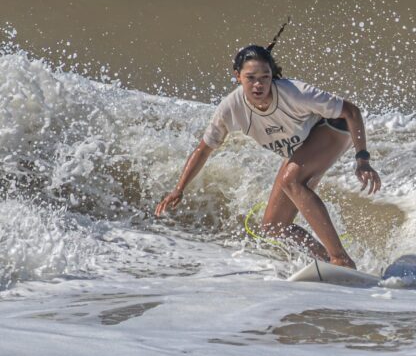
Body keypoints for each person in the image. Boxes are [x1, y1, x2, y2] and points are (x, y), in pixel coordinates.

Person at [154, 24, 381, 269]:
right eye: (250, 78)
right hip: (304, 146)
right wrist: (179, 189)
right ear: (237, 76)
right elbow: (204, 149)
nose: (258, 85)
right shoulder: (230, 109)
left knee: (291, 180)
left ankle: (340, 259)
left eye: (265, 77)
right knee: (273, 227)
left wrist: (363, 159)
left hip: (333, 127)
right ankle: (327, 262)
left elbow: (351, 111)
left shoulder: (293, 92)